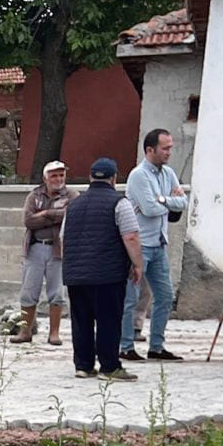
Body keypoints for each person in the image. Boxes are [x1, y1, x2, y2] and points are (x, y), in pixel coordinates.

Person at [59, 158, 143, 381]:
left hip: (76, 274)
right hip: (107, 273)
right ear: (114, 178)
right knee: (108, 319)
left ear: (90, 178)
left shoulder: (73, 205)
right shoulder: (119, 203)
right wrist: (137, 264)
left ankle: (83, 365)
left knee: (81, 320)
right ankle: (109, 366)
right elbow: (131, 236)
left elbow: (63, 239)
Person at [121, 129, 189, 360]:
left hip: (159, 243)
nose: (169, 152)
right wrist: (168, 201)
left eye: (170, 147)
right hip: (140, 244)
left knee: (165, 295)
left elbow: (183, 202)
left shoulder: (168, 173)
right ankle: (125, 345)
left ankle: (157, 346)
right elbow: (149, 209)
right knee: (131, 297)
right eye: (165, 148)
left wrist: (162, 199)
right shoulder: (139, 175)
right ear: (150, 150)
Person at [15, 160, 70, 346]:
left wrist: (45, 214)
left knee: (57, 292)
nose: (59, 179)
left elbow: (70, 215)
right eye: (54, 175)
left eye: (61, 175)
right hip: (36, 247)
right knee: (29, 291)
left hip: (59, 249)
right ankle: (25, 331)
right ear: (46, 177)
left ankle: (54, 333)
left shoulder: (71, 194)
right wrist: (53, 214)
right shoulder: (34, 195)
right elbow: (29, 221)